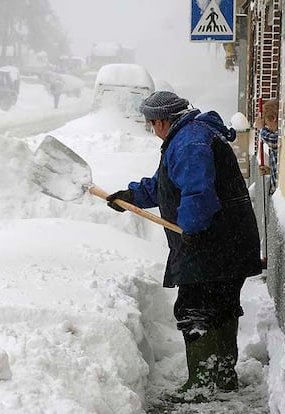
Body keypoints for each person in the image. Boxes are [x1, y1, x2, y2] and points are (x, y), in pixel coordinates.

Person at [106, 91, 262, 402]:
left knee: (196, 310)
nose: (153, 131)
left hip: (212, 243)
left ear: (162, 121)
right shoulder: (191, 136)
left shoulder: (190, 141)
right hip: (226, 242)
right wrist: (132, 196)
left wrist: (191, 228)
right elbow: (167, 184)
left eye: (153, 124)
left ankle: (203, 385)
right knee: (221, 305)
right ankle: (222, 376)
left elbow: (197, 190)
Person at [255, 99, 279, 195]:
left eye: (266, 124)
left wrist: (261, 129)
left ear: (273, 118)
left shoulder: (280, 136)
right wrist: (270, 170)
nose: (267, 127)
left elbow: (273, 140)